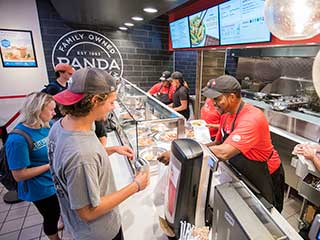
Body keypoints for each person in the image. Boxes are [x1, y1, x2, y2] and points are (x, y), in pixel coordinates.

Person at [48, 68, 150, 240]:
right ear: (95, 100)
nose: (114, 107)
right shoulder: (82, 154)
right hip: (99, 233)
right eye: (111, 102)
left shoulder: (60, 126)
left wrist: (111, 150)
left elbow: (73, 165)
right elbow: (88, 211)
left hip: (76, 226)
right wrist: (136, 185)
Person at [159, 75, 285, 213]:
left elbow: (224, 152)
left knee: (267, 216)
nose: (213, 103)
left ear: (231, 97)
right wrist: (184, 150)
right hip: (242, 173)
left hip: (265, 175)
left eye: (217, 99)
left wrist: (183, 155)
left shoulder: (252, 118)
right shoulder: (226, 114)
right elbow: (217, 143)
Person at [5, 92, 61, 240]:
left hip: (53, 181)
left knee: (58, 210)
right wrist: (50, 165)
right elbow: (19, 175)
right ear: (37, 110)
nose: (54, 113)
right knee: (51, 215)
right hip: (40, 188)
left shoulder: (45, 125)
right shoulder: (17, 139)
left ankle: (59, 225)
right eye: (51, 110)